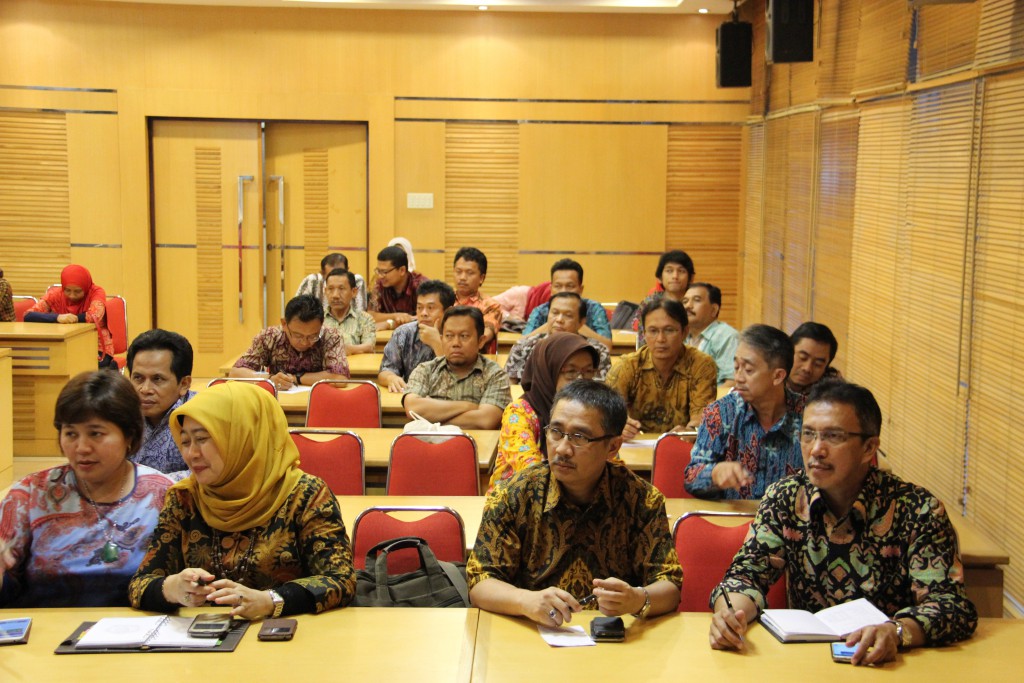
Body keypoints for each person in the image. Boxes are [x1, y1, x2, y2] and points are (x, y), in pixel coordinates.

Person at [709, 380, 977, 665]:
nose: (816, 449)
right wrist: (730, 615)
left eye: (833, 437)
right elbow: (746, 575)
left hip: (888, 663)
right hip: (806, 662)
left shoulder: (918, 510)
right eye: (808, 434)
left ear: (869, 448)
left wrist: (897, 631)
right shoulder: (785, 498)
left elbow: (950, 605)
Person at [128, 382, 356, 618]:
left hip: (286, 631)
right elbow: (139, 585)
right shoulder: (184, 498)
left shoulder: (305, 495)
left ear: (244, 437)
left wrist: (271, 601)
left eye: (203, 439)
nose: (191, 454)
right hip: (204, 633)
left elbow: (340, 580)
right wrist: (172, 589)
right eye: (185, 442)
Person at [467, 381, 682, 624]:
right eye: (556, 432)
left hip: (614, 636)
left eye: (579, 437)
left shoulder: (642, 500)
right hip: (532, 631)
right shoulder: (513, 494)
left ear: (612, 447)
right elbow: (480, 580)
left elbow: (670, 584)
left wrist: (638, 599)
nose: (562, 449)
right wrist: (524, 600)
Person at [0, 371, 172, 607]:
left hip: (139, 625)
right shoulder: (30, 494)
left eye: (95, 434)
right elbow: (7, 588)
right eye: (71, 433)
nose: (81, 447)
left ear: (129, 435)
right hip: (46, 626)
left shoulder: (162, 494)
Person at [684, 324, 804, 500]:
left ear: (778, 376)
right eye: (736, 367)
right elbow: (691, 477)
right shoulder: (722, 412)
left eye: (748, 370)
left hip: (789, 516)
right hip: (734, 515)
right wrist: (715, 473)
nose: (738, 378)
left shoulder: (809, 416)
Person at [488, 333, 600, 492]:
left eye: (588, 372)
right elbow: (531, 473)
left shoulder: (592, 412)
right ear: (547, 373)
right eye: (571, 372)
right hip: (521, 499)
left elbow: (606, 463)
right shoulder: (520, 412)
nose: (581, 381)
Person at [606, 296, 717, 439]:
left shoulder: (701, 365)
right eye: (653, 331)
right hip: (634, 444)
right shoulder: (627, 366)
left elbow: (701, 421)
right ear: (644, 334)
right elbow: (607, 415)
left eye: (669, 330)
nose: (660, 339)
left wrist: (688, 431)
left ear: (684, 332)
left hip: (682, 444)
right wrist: (619, 425)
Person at [403, 306, 511, 429]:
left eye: (464, 336)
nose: (455, 343)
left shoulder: (495, 374)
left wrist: (431, 417)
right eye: (449, 336)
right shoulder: (426, 370)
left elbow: (485, 420)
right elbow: (413, 408)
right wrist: (468, 406)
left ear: (481, 341)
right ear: (441, 339)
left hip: (477, 441)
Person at [231, 294, 349, 391]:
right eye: (298, 335)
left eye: (312, 336)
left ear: (321, 325)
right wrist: (270, 379)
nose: (304, 342)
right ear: (284, 324)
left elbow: (340, 378)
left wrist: (295, 378)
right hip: (277, 403)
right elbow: (236, 372)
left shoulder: (331, 336)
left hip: (318, 400)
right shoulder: (269, 336)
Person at [126, 329, 196, 477]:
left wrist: (150, 484)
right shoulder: (119, 415)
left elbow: (207, 475)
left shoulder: (201, 418)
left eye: (157, 379)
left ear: (184, 384)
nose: (145, 389)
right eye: (138, 378)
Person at [503, 292, 612, 383]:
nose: (559, 319)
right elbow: (510, 386)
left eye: (568, 315)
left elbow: (600, 392)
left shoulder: (597, 351)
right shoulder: (523, 346)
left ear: (581, 322)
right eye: (555, 313)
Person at [24, 264, 115, 368]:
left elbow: (95, 315)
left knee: (84, 367)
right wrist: (57, 317)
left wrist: (74, 318)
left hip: (96, 346)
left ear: (85, 287)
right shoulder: (56, 294)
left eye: (77, 291)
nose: (72, 295)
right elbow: (28, 315)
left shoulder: (96, 292)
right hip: (65, 345)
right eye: (67, 290)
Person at [377, 279, 456, 393]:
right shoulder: (404, 333)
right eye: (419, 308)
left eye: (430, 308)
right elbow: (386, 370)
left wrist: (436, 343)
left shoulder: (459, 336)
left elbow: (456, 379)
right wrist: (390, 378)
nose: (423, 313)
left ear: (448, 311)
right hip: (412, 398)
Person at [523, 259, 612, 348]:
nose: (563, 291)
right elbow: (522, 342)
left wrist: (576, 325)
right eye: (558, 286)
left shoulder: (594, 309)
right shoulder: (540, 310)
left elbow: (607, 346)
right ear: (551, 289)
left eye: (570, 286)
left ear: (580, 289)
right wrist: (553, 324)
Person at [632, 250, 694, 347]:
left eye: (681, 271)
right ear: (660, 277)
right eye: (669, 271)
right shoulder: (649, 303)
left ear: (691, 278)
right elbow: (643, 342)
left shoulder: (695, 304)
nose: (675, 276)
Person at [682, 282, 739, 386]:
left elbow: (732, 382)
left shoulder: (726, 336)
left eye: (697, 300)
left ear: (714, 310)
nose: (688, 306)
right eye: (685, 301)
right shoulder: (681, 335)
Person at [452, 246, 502, 353]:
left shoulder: (490, 305)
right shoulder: (444, 299)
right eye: (458, 271)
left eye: (469, 273)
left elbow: (487, 332)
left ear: (481, 278)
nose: (462, 277)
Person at [368, 244, 428, 329]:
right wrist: (396, 316)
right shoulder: (379, 284)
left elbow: (430, 316)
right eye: (378, 271)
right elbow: (370, 316)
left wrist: (390, 324)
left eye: (384, 272)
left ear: (402, 270)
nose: (380, 276)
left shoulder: (422, 286)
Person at [322, 268, 376, 355]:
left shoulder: (365, 319)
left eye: (341, 289)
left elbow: (369, 347)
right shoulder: (317, 319)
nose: (335, 295)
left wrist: (347, 349)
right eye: (330, 289)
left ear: (354, 292)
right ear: (325, 291)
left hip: (355, 363)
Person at [295, 252, 367, 311]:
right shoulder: (312, 281)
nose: (336, 279)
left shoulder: (357, 280)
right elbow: (297, 311)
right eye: (331, 275)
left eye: (341, 273)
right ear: (322, 273)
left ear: (347, 270)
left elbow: (360, 312)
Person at [787, 321, 841, 396]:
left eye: (818, 364)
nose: (807, 368)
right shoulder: (771, 376)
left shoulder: (833, 392)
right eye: (803, 358)